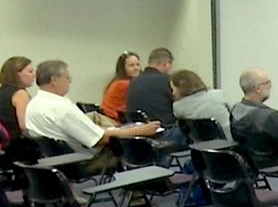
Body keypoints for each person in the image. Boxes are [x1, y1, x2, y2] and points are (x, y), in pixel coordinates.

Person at [25, 60, 161, 173]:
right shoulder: (62, 108)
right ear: (54, 80)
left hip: (56, 160)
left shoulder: (33, 104)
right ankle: (139, 196)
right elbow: (100, 139)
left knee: (122, 131)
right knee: (136, 145)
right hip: (83, 161)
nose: (70, 81)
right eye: (67, 77)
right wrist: (141, 130)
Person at [171, 69, 232, 139]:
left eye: (173, 89)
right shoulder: (219, 95)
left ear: (180, 88)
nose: (173, 93)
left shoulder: (177, 107)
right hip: (229, 140)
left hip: (200, 146)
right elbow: (234, 115)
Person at [99, 51, 140, 123]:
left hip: (109, 119)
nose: (136, 68)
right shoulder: (124, 84)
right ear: (123, 68)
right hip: (115, 121)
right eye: (131, 65)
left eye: (138, 64)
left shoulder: (117, 81)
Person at [0, 56, 35, 134]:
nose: (34, 75)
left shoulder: (2, 91)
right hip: (14, 141)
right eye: (30, 72)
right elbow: (25, 125)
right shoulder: (20, 94)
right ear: (16, 74)